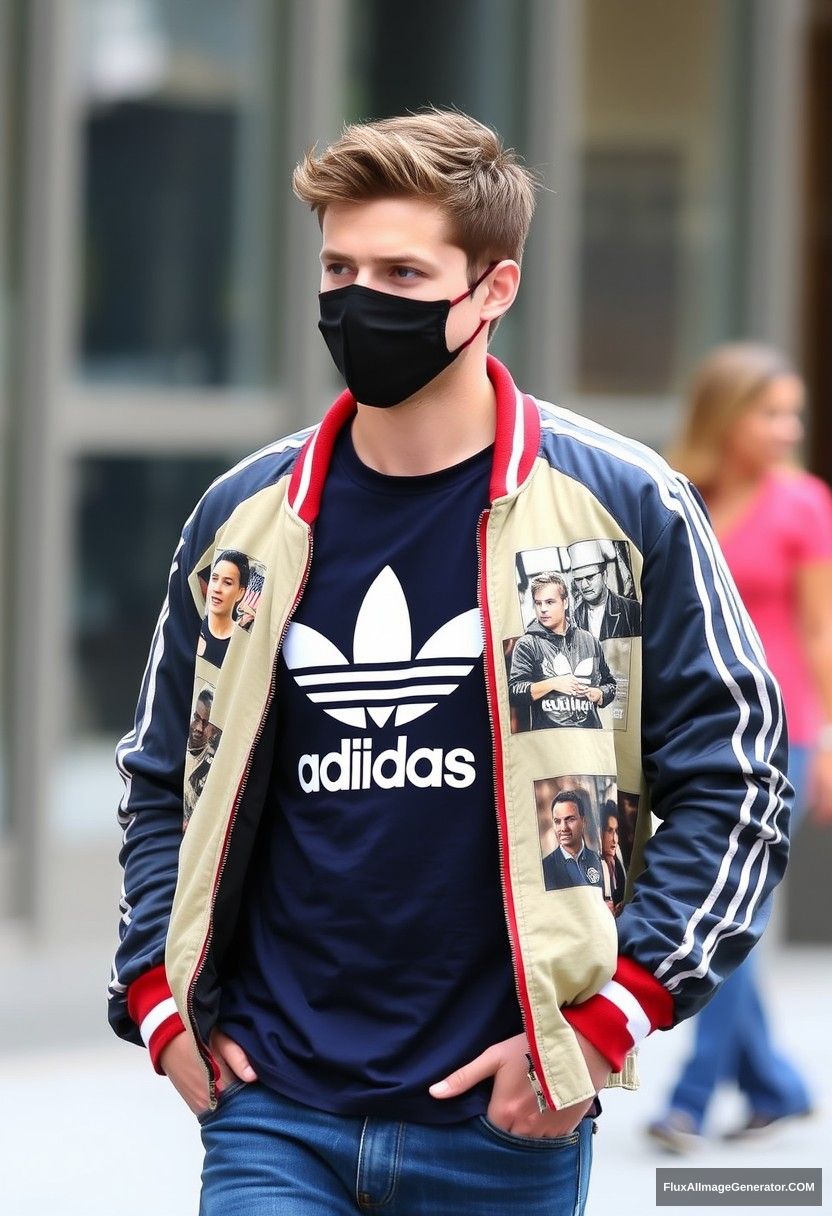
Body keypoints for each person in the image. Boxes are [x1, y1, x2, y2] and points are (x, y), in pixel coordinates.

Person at [108, 112, 790, 1216]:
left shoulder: (621, 508)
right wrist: (158, 997)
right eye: (338, 266)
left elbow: (735, 780)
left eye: (401, 270)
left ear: (493, 288)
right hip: (272, 1109)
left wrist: (608, 1017)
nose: (357, 298)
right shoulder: (244, 517)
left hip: (499, 1125)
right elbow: (159, 776)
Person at [647, 342, 832, 1153]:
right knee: (728, 915)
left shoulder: (804, 505)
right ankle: (778, 1087)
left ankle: (686, 1102)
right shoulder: (674, 492)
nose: (790, 429)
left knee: (729, 909)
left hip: (781, 735)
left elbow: (822, 633)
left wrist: (828, 738)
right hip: (687, 732)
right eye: (772, 412)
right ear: (725, 417)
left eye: (795, 412)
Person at [508, 572, 616, 729]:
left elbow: (610, 684)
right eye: (538, 603)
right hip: (551, 742)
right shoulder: (527, 644)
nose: (543, 609)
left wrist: (600, 694)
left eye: (550, 602)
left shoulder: (589, 640)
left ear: (565, 602)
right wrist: (553, 683)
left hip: (590, 740)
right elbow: (514, 693)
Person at [568, 541, 641, 640]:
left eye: (590, 577)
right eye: (578, 579)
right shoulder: (573, 618)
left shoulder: (632, 610)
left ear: (604, 575)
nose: (584, 585)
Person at [196, 549, 250, 667]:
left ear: (240, 592)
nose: (217, 589)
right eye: (214, 579)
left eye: (227, 583)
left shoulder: (245, 646)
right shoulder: (192, 633)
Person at [542, 789, 603, 891]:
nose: (563, 828)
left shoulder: (597, 860)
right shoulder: (546, 868)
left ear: (583, 822)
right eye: (557, 821)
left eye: (570, 819)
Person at [599, 804, 627, 914]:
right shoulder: (593, 865)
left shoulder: (618, 864)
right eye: (609, 831)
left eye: (617, 832)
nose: (615, 839)